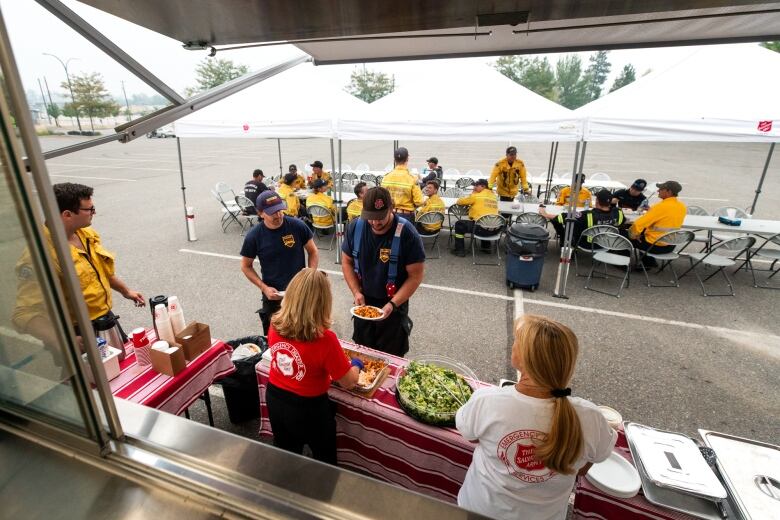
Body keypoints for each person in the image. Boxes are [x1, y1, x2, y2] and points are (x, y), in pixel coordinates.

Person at [456, 315, 617, 520]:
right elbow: (584, 468)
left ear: (524, 358)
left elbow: (470, 436)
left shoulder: (487, 401)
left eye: (516, 339)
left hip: (478, 511)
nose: (512, 343)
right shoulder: (591, 417)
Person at [13, 183, 145, 347]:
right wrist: (64, 341)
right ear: (67, 214)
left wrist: (126, 291)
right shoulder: (39, 257)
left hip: (105, 320)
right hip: (78, 333)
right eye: (89, 209)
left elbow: (101, 272)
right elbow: (24, 314)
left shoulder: (84, 233)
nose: (94, 212)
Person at [266, 268, 360, 464]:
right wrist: (357, 364)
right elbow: (349, 382)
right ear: (323, 302)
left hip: (275, 398)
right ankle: (323, 494)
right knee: (324, 462)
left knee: (286, 457)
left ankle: (287, 490)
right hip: (309, 409)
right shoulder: (325, 339)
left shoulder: (275, 323)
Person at [341, 187, 425, 357]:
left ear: (391, 208)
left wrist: (393, 304)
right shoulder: (355, 227)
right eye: (370, 218)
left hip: (393, 304)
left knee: (390, 355)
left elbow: (415, 276)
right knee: (362, 352)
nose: (375, 223)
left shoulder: (407, 234)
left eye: (380, 218)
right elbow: (347, 261)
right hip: (364, 303)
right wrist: (356, 292)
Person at [240, 190, 319, 335]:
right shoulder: (254, 236)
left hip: (300, 293)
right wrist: (264, 288)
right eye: (272, 212)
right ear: (261, 213)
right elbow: (246, 266)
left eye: (280, 210)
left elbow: (313, 251)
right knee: (274, 338)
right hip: (273, 296)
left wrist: (310, 274)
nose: (278, 215)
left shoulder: (297, 225)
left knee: (303, 334)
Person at [628, 180, 687, 267]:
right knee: (643, 234)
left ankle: (622, 264)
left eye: (661, 189)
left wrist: (633, 236)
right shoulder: (682, 206)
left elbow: (637, 224)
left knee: (623, 235)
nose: (658, 191)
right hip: (670, 245)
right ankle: (649, 262)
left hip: (655, 247)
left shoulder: (660, 206)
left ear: (669, 192)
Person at [540, 189, 626, 247]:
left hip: (588, 244)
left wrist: (545, 214)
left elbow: (562, 217)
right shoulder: (618, 213)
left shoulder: (588, 215)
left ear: (597, 201)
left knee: (567, 224)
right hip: (608, 243)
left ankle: (568, 246)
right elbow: (624, 223)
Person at [451, 179, 499, 257]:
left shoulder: (476, 196)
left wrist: (473, 193)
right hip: (494, 230)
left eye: (476, 186)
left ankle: (459, 250)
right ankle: (486, 247)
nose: (474, 187)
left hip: (480, 229)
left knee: (459, 224)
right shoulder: (494, 197)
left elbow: (460, 202)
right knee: (486, 220)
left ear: (483, 186)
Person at [381, 147, 424, 221]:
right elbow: (419, 202)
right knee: (403, 233)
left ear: (394, 160)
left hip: (389, 215)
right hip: (405, 216)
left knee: (392, 233)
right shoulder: (412, 178)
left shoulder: (386, 177)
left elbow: (382, 198)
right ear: (407, 159)